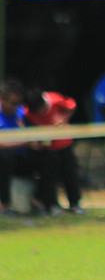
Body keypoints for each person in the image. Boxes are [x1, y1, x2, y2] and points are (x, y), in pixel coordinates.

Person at [24, 88, 83, 215]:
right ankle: (52, 204)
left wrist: (64, 119)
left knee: (70, 172)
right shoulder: (28, 112)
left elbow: (72, 105)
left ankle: (75, 203)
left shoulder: (55, 100)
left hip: (64, 143)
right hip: (48, 148)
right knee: (51, 173)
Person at [0, 78, 30, 215]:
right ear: (2, 99)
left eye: (18, 103)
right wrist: (23, 142)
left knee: (50, 156)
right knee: (6, 157)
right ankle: (3, 203)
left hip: (22, 156)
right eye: (13, 103)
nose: (16, 107)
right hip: (5, 158)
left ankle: (46, 203)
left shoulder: (22, 112)